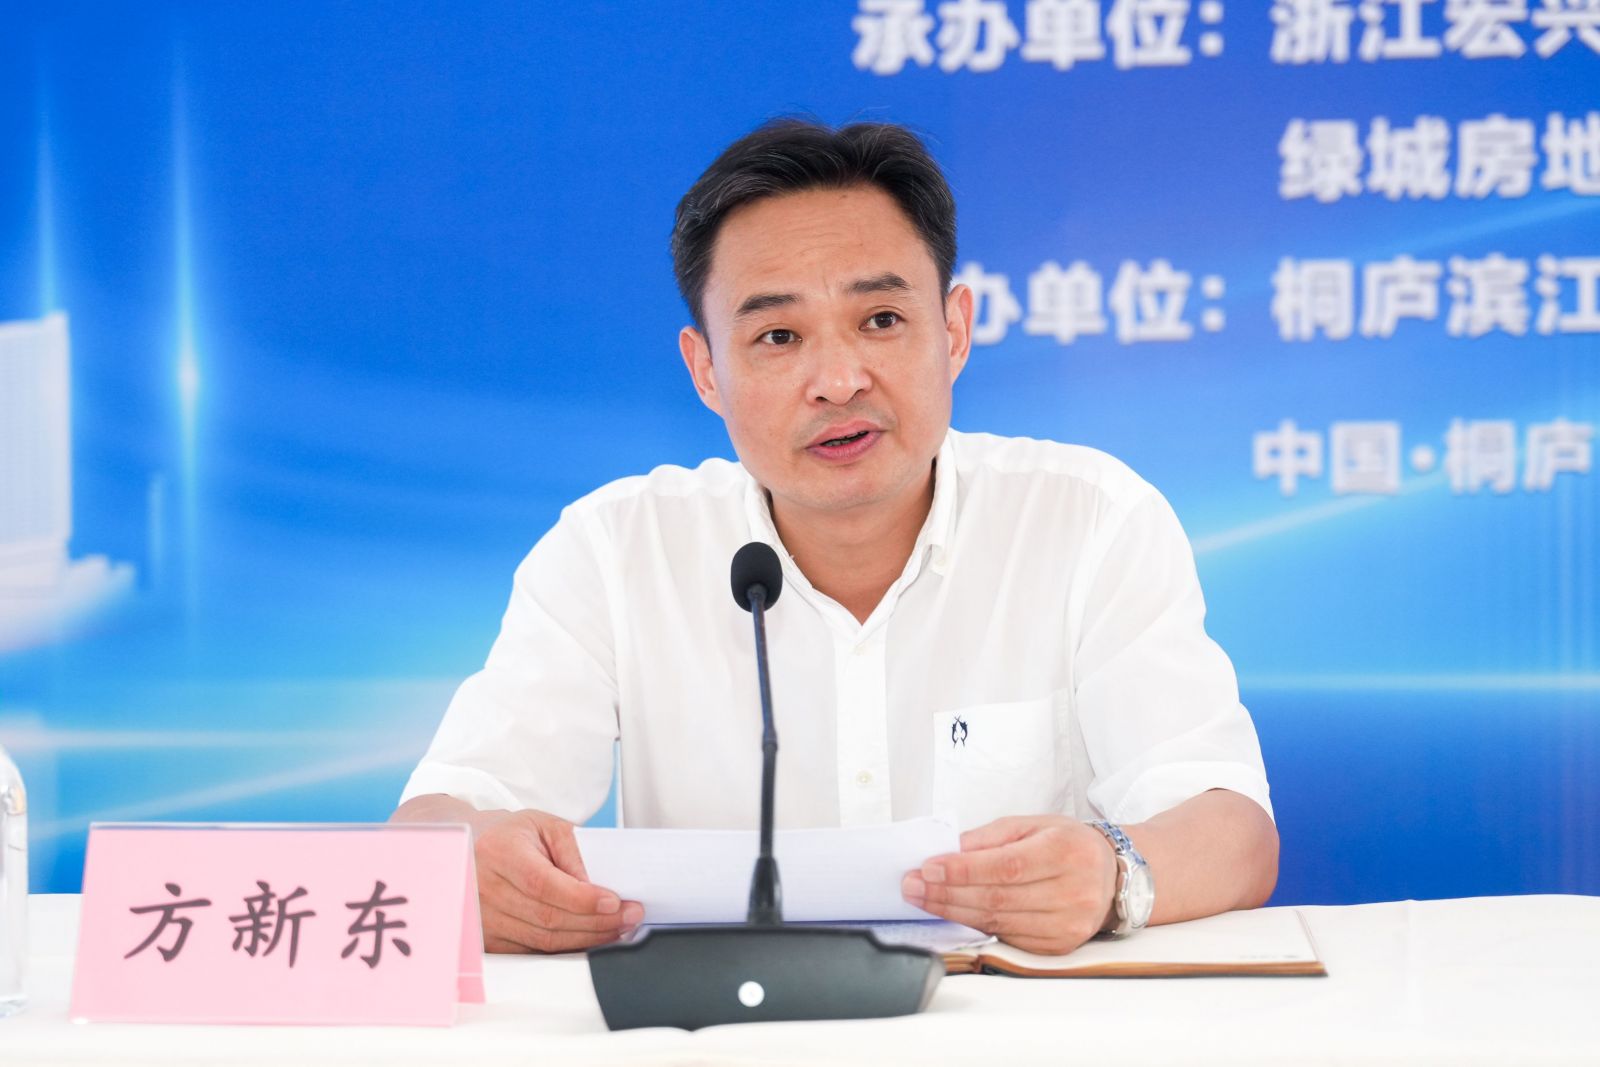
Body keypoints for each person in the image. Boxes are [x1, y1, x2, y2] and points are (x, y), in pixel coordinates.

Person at [392, 119, 1278, 956]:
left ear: (954, 330)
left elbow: (1232, 830)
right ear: (706, 370)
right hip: (718, 1034)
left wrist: (1115, 874)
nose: (839, 380)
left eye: (881, 320)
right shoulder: (616, 552)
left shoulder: (1090, 521)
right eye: (779, 335)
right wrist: (477, 867)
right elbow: (440, 819)